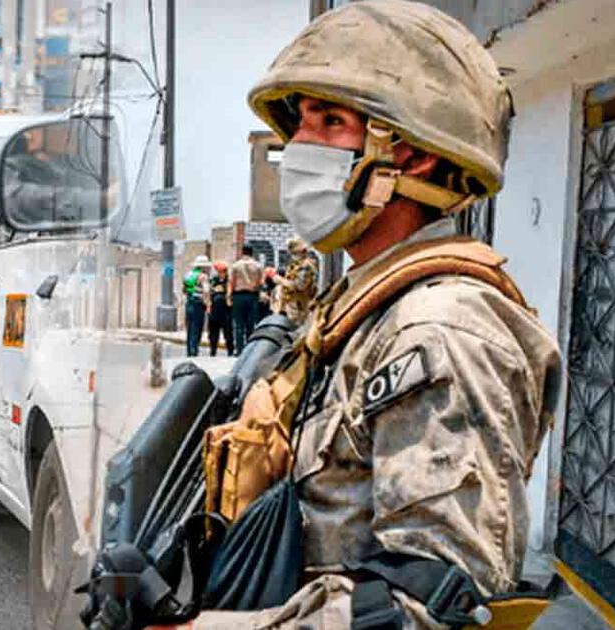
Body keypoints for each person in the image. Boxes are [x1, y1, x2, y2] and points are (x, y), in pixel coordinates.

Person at [152, 1, 562, 628]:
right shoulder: (362, 307)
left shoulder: (441, 331)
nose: (299, 145)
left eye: (330, 121)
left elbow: (429, 610)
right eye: (301, 122)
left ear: (414, 157)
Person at [228, 245, 263, 355]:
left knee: (239, 324)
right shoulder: (258, 266)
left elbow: (232, 282)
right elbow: (260, 282)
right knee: (251, 324)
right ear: (252, 253)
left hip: (238, 296)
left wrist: (229, 297)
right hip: (252, 296)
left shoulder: (235, 266)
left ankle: (239, 350)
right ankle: (250, 350)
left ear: (242, 252)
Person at [274, 238, 319, 323]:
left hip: (299, 307)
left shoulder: (306, 266)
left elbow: (300, 285)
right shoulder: (297, 264)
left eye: (294, 252)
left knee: (296, 330)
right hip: (291, 305)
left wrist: (281, 281)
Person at [183, 255, 212, 357]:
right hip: (198, 304)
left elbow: (184, 290)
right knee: (197, 328)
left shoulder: (188, 275)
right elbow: (206, 291)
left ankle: (189, 350)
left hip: (189, 302)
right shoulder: (203, 276)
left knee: (190, 328)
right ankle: (194, 351)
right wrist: (208, 305)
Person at [208, 261, 234, 356]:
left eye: (223, 271)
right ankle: (213, 350)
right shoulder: (213, 281)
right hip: (214, 310)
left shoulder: (229, 281)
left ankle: (230, 350)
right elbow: (209, 293)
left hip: (226, 311)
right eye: (219, 271)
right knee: (213, 333)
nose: (221, 273)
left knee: (228, 332)